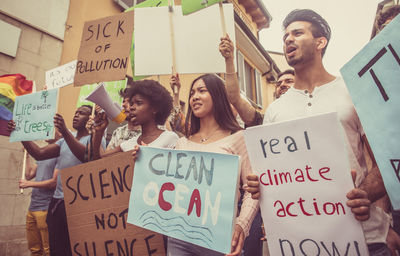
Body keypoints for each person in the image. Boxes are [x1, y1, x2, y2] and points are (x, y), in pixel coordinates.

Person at [242, 9, 390, 255]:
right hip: (301, 243)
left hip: (364, 237)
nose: (288, 39)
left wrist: (363, 194)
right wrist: (260, 186)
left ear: (320, 42)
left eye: (297, 33)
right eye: (285, 35)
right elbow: (273, 176)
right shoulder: (275, 110)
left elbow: (385, 162)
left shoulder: (354, 92)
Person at [162, 73, 258, 256]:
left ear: (218, 95)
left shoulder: (238, 138)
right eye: (192, 93)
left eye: (202, 91)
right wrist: (142, 158)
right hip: (179, 237)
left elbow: (251, 191)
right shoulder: (182, 143)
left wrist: (242, 226)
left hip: (220, 238)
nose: (194, 97)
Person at [9, 105, 105, 256]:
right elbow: (39, 153)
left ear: (90, 118)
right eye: (75, 112)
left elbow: (87, 157)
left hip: (79, 203)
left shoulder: (96, 139)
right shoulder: (64, 140)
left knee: (73, 249)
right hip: (57, 203)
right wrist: (20, 134)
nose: (76, 115)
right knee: (56, 249)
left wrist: (65, 132)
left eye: (81, 113)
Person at [90, 79, 178, 160]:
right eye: (131, 103)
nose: (132, 107)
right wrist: (99, 133)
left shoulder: (169, 138)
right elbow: (99, 162)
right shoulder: (127, 145)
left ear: (154, 108)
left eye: (138, 103)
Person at [18, 132, 61, 256]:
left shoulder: (59, 155)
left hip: (45, 208)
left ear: (59, 135)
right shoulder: (43, 154)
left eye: (53, 129)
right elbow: (29, 174)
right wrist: (26, 156)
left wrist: (29, 184)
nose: (48, 132)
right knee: (34, 249)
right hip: (33, 207)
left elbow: (53, 183)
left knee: (48, 249)